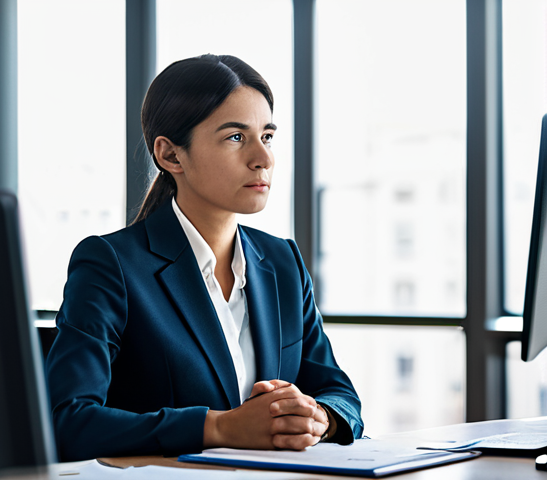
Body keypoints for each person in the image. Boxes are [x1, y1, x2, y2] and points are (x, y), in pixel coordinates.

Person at [45, 54, 363, 462]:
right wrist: (220, 427)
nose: (262, 159)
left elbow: (340, 393)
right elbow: (68, 422)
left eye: (266, 136)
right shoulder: (111, 264)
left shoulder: (282, 261)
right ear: (171, 155)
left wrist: (319, 417)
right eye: (235, 137)